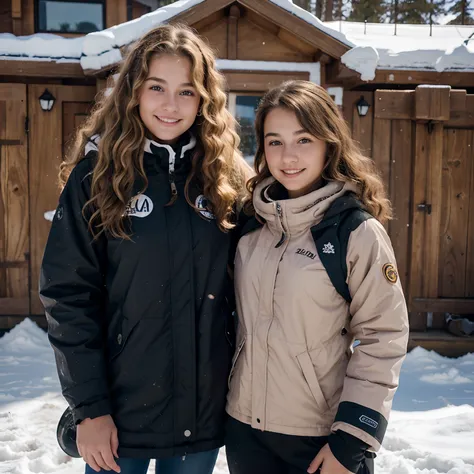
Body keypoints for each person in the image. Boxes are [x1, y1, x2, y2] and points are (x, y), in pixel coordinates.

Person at [39, 24, 250, 474]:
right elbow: (68, 296)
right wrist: (89, 409)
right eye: (157, 87)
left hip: (201, 415)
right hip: (117, 420)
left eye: (187, 91)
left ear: (205, 101)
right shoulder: (96, 177)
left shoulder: (225, 181)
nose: (170, 105)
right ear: (134, 91)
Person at [225, 80, 409, 474]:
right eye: (274, 141)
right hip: (245, 431)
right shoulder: (249, 225)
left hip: (321, 439)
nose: (287, 156)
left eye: (303, 139)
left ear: (329, 142)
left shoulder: (354, 232)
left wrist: (353, 438)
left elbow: (384, 335)